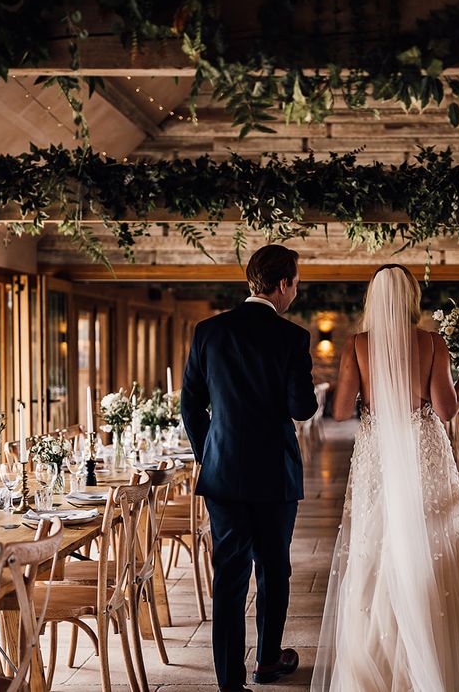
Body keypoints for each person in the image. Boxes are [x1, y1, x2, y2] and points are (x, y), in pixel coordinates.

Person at [311, 264, 459, 691]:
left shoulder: (357, 344)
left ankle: (373, 656)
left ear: (373, 299)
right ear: (411, 299)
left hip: (377, 453)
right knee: (426, 544)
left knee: (376, 546)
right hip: (423, 450)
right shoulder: (432, 342)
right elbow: (446, 412)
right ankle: (428, 655)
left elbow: (338, 412)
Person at [181, 244, 318, 692]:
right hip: (275, 475)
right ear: (282, 284)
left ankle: (229, 682)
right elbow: (301, 408)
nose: (295, 292)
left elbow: (190, 406)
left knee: (230, 576)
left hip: (224, 477)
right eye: (296, 283)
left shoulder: (208, 332)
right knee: (274, 569)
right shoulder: (292, 338)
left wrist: (211, 453)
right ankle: (266, 662)